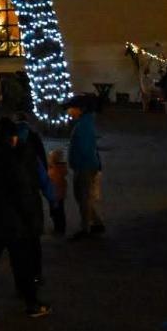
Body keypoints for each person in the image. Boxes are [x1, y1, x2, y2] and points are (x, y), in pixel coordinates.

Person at [0, 118, 51, 320]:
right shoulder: (13, 158)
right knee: (22, 263)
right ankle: (31, 303)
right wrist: (30, 217)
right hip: (12, 221)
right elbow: (22, 191)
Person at [66, 97, 105, 238]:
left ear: (80, 109)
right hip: (85, 165)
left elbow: (84, 148)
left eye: (71, 108)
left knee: (83, 197)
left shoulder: (83, 125)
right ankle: (96, 222)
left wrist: (77, 162)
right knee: (83, 197)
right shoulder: (84, 123)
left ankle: (86, 228)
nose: (69, 111)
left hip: (84, 166)